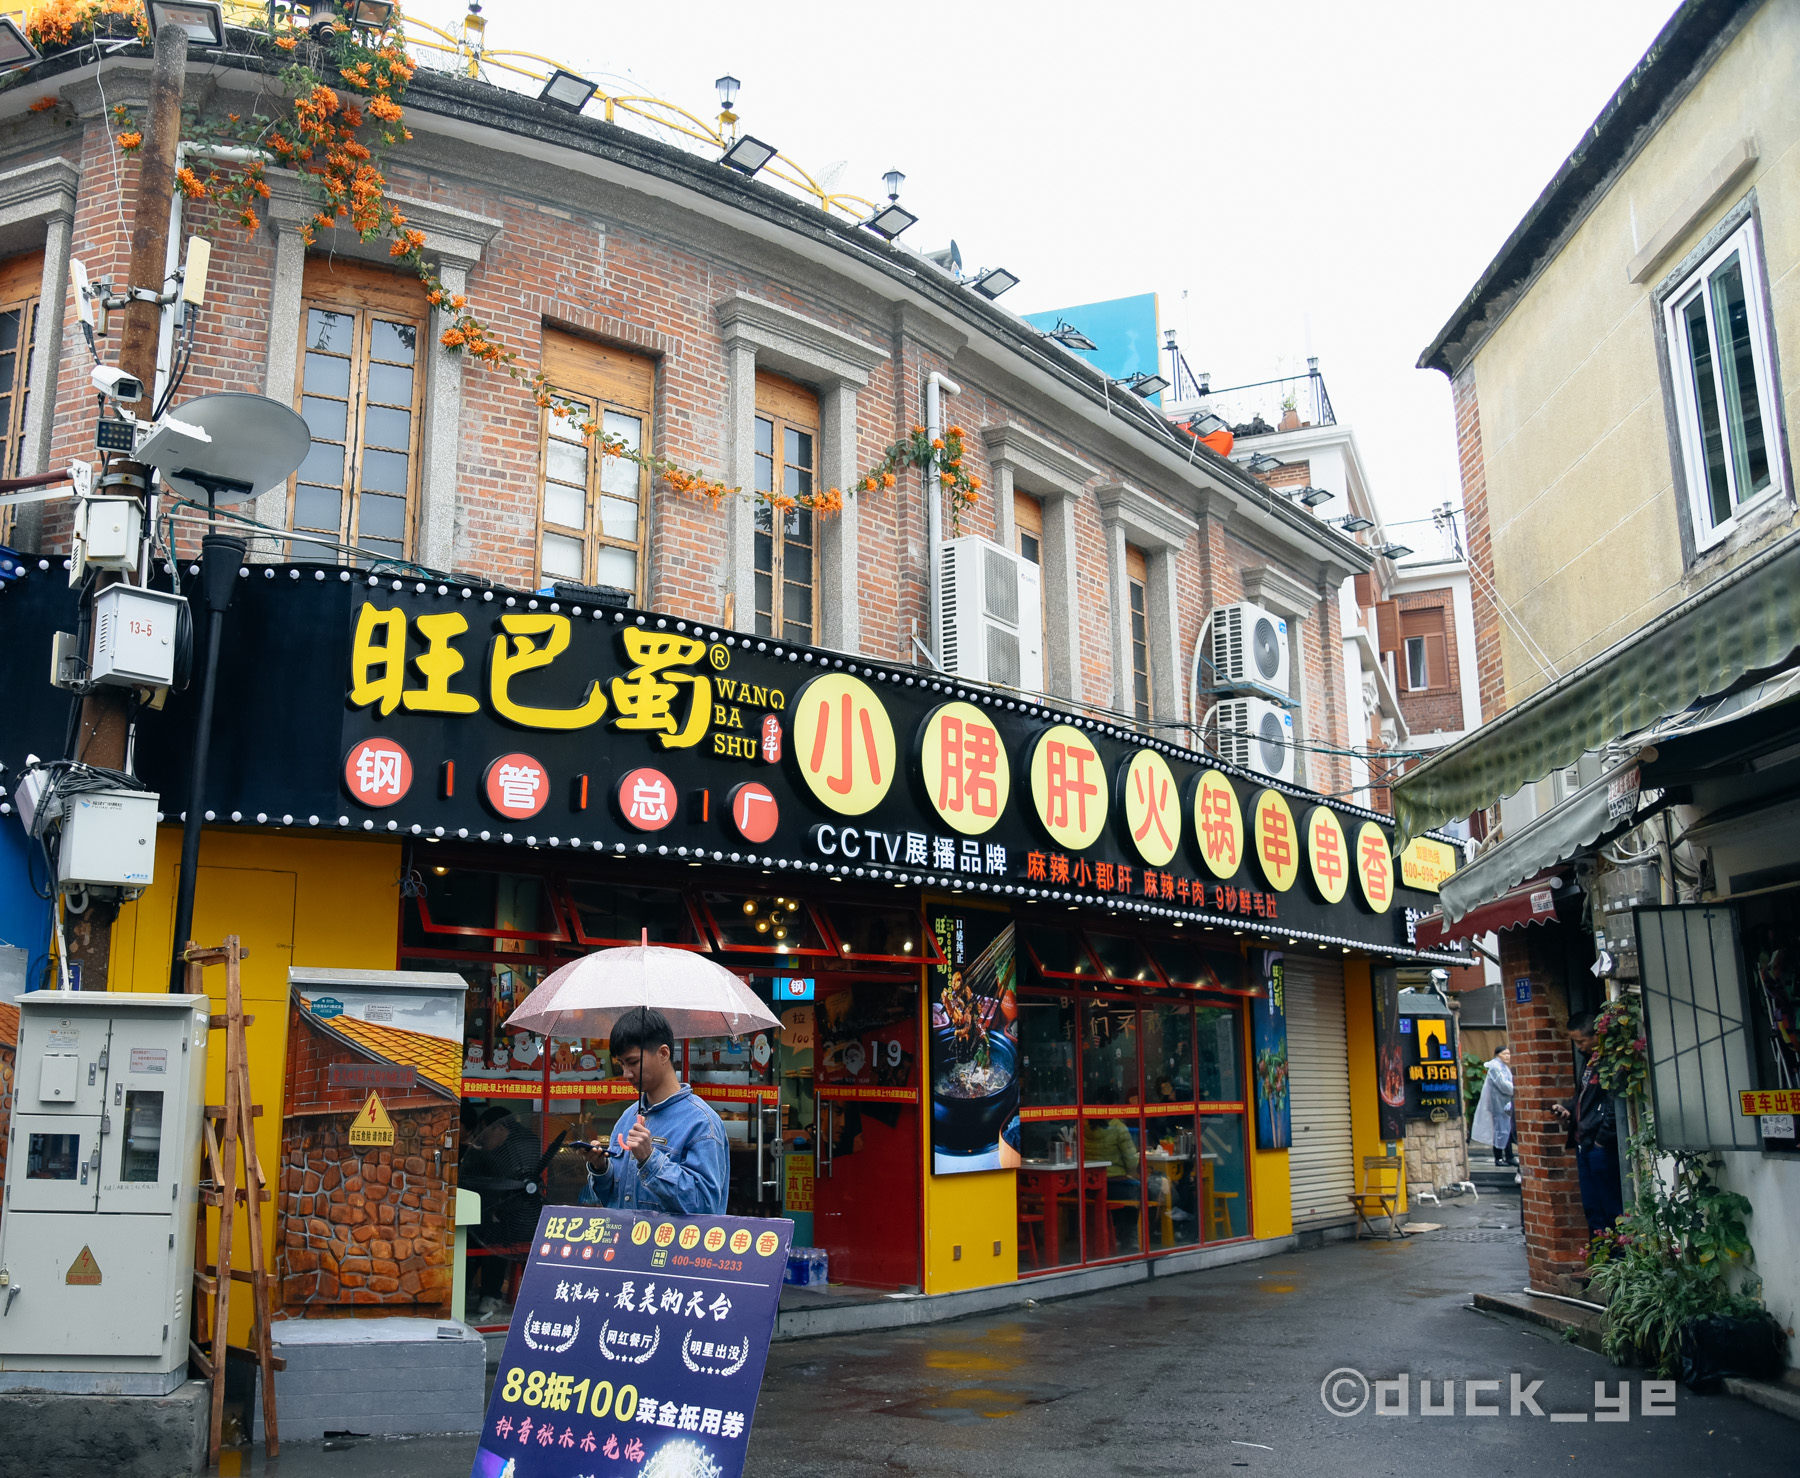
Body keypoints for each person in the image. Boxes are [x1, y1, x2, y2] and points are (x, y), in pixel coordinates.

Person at [582, 1006, 729, 1214]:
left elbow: (705, 1207)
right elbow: (613, 1201)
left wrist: (650, 1159)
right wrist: (601, 1168)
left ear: (663, 1053)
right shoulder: (627, 1118)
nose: (626, 1074)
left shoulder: (702, 1123)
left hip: (673, 1246)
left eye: (633, 1062)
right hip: (625, 1243)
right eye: (621, 1064)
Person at [460, 1105, 545, 1321]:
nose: (482, 1138)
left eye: (485, 1132)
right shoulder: (524, 1143)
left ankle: (489, 1295)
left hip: (517, 1219)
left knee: (490, 1243)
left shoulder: (514, 1151)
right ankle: (471, 1294)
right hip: (494, 1214)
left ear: (498, 1129)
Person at [1551, 1017, 1623, 1237]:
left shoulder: (1609, 1062)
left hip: (1598, 1144)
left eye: (1581, 1041)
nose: (1578, 1046)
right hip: (1587, 1142)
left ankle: (1616, 1260)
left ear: (1596, 1036)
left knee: (1610, 1206)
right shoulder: (1589, 1061)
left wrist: (1602, 1139)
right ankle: (1602, 1259)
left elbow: (1614, 1102)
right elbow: (1584, 1098)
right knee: (1593, 1207)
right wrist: (1567, 1109)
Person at [1082, 1114, 1142, 1252]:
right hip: (1115, 1184)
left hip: (1088, 1184)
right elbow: (1132, 1162)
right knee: (1136, 1192)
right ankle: (1129, 1239)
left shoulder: (1079, 1125)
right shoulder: (1118, 1127)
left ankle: (1115, 1236)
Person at [1469, 1046, 1517, 1171]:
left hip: (1506, 1103)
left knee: (1507, 1130)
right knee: (1501, 1131)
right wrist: (1518, 1089)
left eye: (1508, 1054)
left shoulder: (1503, 1066)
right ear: (1497, 1055)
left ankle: (1509, 1156)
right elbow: (1504, 1086)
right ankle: (1499, 1158)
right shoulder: (1495, 1067)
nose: (1508, 1056)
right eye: (1504, 1054)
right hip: (1498, 1105)